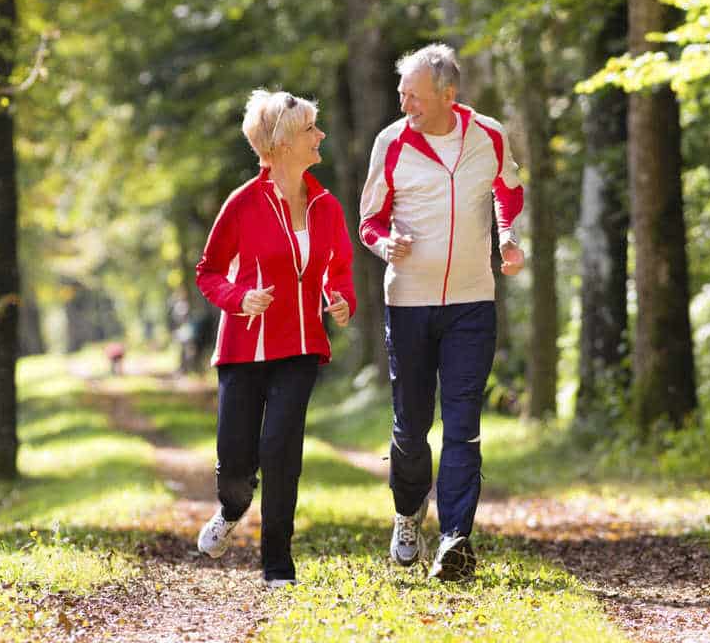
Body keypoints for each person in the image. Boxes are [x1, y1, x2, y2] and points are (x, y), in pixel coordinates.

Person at [359, 43, 525, 581]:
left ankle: (455, 538)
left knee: (463, 424)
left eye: (414, 94)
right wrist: (386, 245)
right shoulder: (391, 143)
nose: (404, 101)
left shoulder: (488, 135)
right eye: (402, 92)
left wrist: (508, 236)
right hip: (408, 302)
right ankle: (409, 513)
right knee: (411, 427)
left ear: (447, 96)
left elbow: (509, 189)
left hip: (472, 303)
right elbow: (369, 221)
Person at [195, 89, 356, 587]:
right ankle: (231, 507)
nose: (320, 135)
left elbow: (339, 268)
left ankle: (277, 564)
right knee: (237, 464)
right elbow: (209, 272)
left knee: (282, 451)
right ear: (284, 142)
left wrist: (340, 298)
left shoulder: (326, 205)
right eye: (311, 129)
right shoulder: (243, 203)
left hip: (301, 346)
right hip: (244, 349)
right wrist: (240, 299)